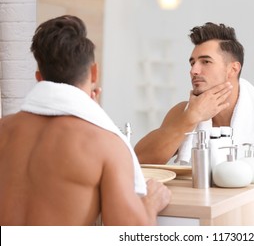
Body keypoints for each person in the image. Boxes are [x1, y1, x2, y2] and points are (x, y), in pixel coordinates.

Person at [0, 15, 171, 226]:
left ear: (39, 78)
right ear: (94, 72)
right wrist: (150, 204)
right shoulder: (105, 144)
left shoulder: (4, 129)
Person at [135, 22, 254, 181]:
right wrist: (191, 118)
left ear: (233, 69)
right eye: (192, 63)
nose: (194, 71)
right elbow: (139, 161)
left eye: (205, 62)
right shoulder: (184, 112)